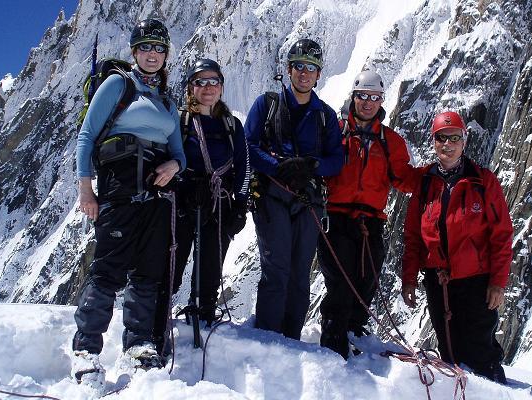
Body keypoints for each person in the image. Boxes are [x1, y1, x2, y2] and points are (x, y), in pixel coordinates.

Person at [72, 18, 185, 385]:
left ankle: (138, 345)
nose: (153, 54)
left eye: (159, 48)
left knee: (148, 271)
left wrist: (174, 164)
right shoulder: (118, 85)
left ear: (166, 55)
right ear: (135, 51)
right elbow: (87, 137)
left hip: (156, 190)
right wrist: (85, 189)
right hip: (119, 186)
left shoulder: (168, 101)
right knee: (109, 267)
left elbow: (180, 153)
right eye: (146, 47)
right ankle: (86, 349)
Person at [401, 111, 513, 384]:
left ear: (464, 141)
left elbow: (501, 235)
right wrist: (409, 279)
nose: (447, 144)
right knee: (450, 353)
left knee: (481, 352)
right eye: (441, 138)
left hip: (476, 282)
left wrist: (497, 283)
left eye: (454, 138)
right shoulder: (426, 182)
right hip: (439, 283)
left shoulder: (483, 181)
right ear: (434, 141)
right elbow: (413, 235)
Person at [244, 38, 344, 340]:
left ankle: (291, 340)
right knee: (276, 271)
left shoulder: (325, 115)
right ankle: (268, 339)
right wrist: (277, 167)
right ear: (288, 70)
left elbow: (337, 159)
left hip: (307, 200)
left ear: (318, 74)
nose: (304, 73)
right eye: (299, 66)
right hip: (272, 196)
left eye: (311, 68)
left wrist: (311, 167)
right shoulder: (267, 104)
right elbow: (247, 147)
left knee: (300, 274)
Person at [317, 70, 417, 359]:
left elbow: (403, 178)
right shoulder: (335, 132)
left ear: (381, 101)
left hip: (371, 221)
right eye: (363, 96)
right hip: (336, 217)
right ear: (354, 98)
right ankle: (334, 341)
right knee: (341, 281)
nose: (368, 103)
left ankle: (354, 332)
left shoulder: (390, 142)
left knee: (367, 279)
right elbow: (321, 166)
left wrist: (431, 179)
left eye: (375, 98)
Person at [153, 58, 249, 353]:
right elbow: (164, 158)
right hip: (183, 201)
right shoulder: (179, 121)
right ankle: (158, 323)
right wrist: (180, 185)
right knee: (173, 262)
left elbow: (244, 168)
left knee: (210, 266)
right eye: (200, 82)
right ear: (190, 88)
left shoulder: (232, 125)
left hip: (219, 203)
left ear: (221, 86)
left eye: (213, 82)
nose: (207, 88)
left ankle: (204, 315)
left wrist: (240, 206)